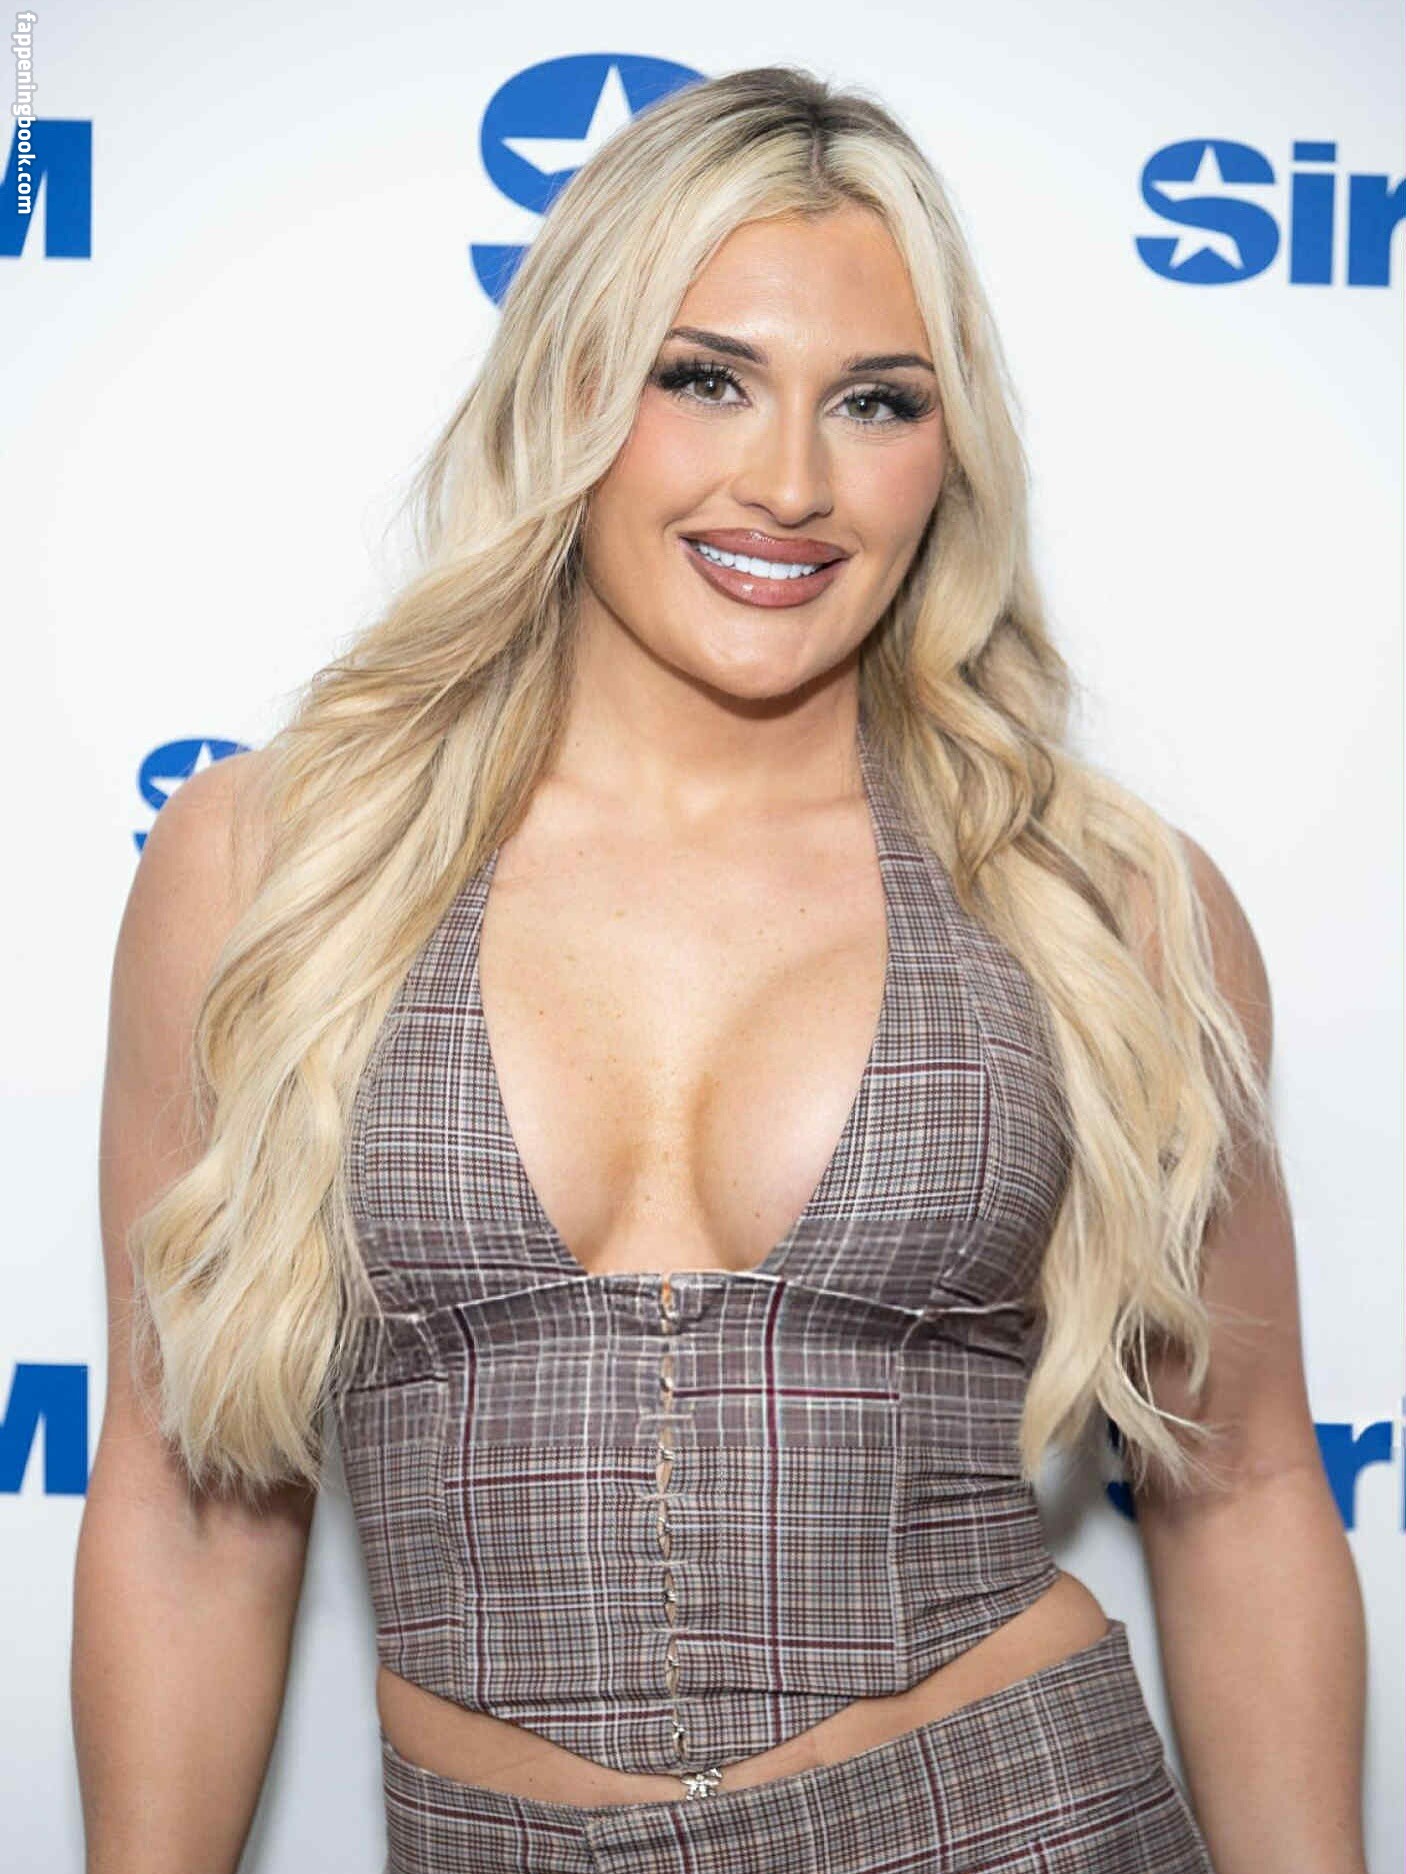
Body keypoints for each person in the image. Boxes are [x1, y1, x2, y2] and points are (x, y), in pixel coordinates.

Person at [73, 64, 1367, 1874]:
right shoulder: (274, 866)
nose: (789, 482)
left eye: (875, 401)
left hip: (1013, 1821)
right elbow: (187, 1502)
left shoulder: (1100, 898)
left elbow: (1237, 1491)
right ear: (571, 390)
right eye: (704, 377)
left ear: (948, 454)